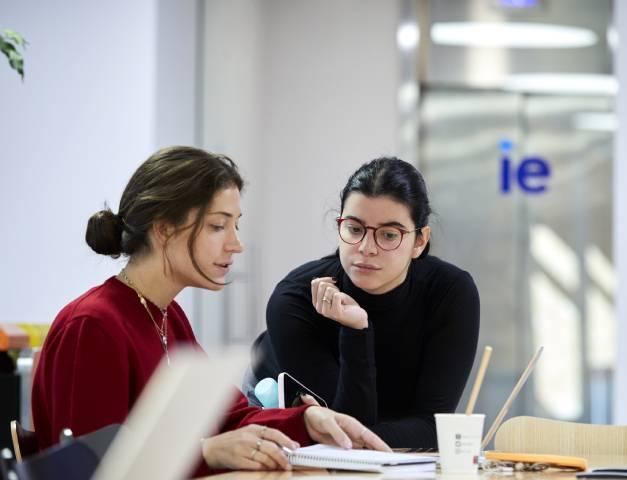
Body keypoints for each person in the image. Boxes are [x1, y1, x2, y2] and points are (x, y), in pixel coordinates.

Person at [31, 146, 389, 476]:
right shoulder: (92, 325)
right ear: (164, 229)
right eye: (218, 226)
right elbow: (93, 468)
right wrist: (205, 452)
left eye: (235, 225)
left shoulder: (166, 315)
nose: (236, 244)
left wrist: (306, 419)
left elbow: (227, 416)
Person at [250, 156, 480, 448]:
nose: (366, 248)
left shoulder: (450, 292)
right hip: (279, 424)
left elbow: (433, 426)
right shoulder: (295, 298)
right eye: (355, 229)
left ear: (419, 241)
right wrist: (356, 329)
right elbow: (344, 433)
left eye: (388, 235)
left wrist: (351, 433)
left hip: (378, 446)